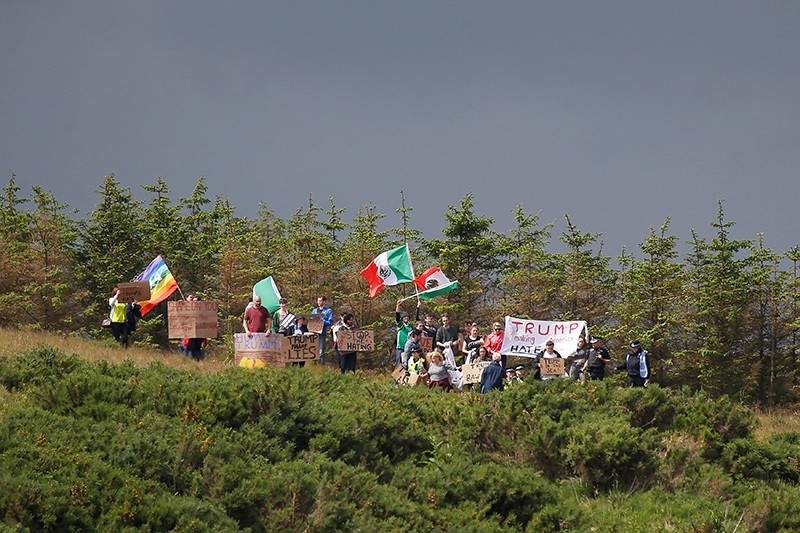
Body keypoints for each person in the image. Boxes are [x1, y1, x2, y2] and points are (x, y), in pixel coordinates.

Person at [184, 294, 207, 361]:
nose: (194, 303)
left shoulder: (203, 311)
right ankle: (190, 362)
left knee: (197, 348)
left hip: (199, 334)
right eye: (193, 301)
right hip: (191, 334)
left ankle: (197, 362)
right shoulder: (189, 310)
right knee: (190, 348)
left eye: (196, 301)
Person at [311, 296, 333, 364]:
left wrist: (322, 320)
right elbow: (311, 320)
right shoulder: (314, 311)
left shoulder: (328, 311)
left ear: (324, 302)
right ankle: (313, 365)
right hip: (314, 332)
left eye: (320, 301)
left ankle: (321, 366)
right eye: (318, 301)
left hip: (322, 332)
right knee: (313, 350)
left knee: (321, 351)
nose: (318, 302)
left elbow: (330, 322)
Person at [395, 300, 418, 366]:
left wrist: (418, 307)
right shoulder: (401, 325)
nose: (406, 318)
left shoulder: (410, 327)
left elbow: (417, 321)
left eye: (407, 317)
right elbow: (397, 315)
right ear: (402, 318)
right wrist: (398, 306)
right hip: (401, 347)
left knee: (408, 363)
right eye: (405, 317)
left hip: (408, 347)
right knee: (399, 363)